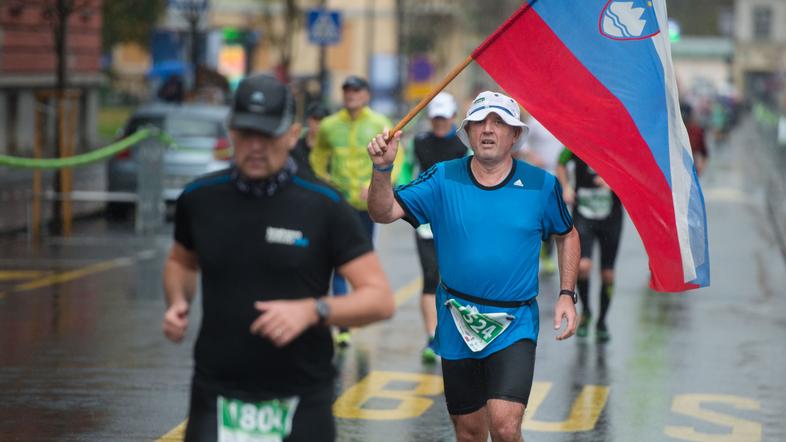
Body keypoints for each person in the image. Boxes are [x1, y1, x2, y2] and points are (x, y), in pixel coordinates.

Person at [162, 74, 395, 442]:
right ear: (231, 132)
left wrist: (314, 310)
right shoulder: (200, 198)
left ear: (292, 135)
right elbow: (181, 261)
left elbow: (380, 298)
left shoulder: (324, 206)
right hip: (216, 393)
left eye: (267, 135)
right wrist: (177, 301)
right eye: (245, 133)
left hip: (301, 398)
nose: (255, 146)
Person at [367, 91, 580, 442]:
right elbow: (383, 211)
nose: (488, 129)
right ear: (467, 133)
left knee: (505, 425)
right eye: (479, 121)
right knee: (469, 432)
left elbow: (567, 234)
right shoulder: (442, 178)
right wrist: (382, 169)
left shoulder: (542, 185)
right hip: (456, 318)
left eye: (499, 122)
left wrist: (567, 294)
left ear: (515, 135)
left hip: (514, 323)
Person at [309, 75, 403, 348]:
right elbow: (317, 156)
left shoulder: (379, 124)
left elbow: (399, 158)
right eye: (347, 90)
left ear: (367, 94)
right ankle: (343, 324)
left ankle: (356, 311)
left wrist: (375, 184)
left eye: (356, 90)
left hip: (365, 207)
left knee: (358, 262)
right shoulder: (328, 126)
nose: (351, 95)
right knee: (338, 264)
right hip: (338, 205)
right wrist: (322, 182)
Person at [398, 92, 468, 364]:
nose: (440, 123)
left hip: (456, 222)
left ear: (452, 117)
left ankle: (457, 333)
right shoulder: (420, 142)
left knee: (455, 278)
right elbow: (406, 171)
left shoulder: (464, 144)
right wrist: (404, 194)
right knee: (430, 276)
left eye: (444, 117)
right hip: (426, 222)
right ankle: (431, 336)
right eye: (435, 118)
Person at [555, 147, 623, 342]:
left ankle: (602, 321)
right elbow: (560, 163)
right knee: (583, 266)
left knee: (608, 274)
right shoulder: (576, 140)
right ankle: (586, 312)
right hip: (583, 212)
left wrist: (614, 181)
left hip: (611, 216)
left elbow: (633, 169)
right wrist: (566, 186)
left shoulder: (618, 141)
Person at [517, 116, 564, 275]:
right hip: (538, 175)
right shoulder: (536, 121)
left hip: (559, 175)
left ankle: (547, 250)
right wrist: (532, 155)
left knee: (554, 215)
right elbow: (522, 141)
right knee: (538, 214)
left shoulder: (564, 120)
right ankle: (534, 250)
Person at [291, 102, 330, 178]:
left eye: (322, 119)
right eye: (315, 118)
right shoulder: (295, 146)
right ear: (308, 120)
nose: (318, 123)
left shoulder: (331, 151)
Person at [681, 103, 709, 177]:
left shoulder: (697, 131)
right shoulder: (675, 131)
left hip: (692, 168)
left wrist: (700, 168)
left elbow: (704, 153)